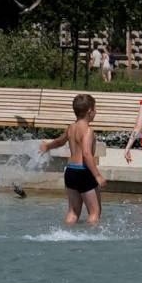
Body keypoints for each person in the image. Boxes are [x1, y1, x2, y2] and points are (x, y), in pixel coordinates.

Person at [39, 94, 108, 226]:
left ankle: (65, 234)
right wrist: (97, 176)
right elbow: (87, 154)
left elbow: (60, 142)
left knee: (73, 212)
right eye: (95, 109)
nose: (96, 112)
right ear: (89, 111)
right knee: (94, 213)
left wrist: (47, 146)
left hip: (70, 172)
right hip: (84, 172)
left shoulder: (71, 128)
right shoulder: (88, 131)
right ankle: (91, 240)